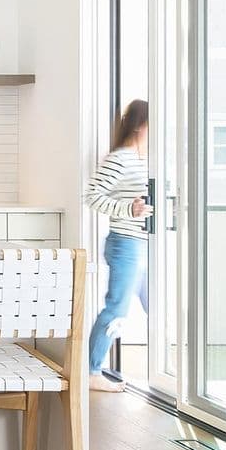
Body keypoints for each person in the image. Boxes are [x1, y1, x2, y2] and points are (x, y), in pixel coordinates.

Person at [84, 99, 152, 391]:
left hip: (144, 245)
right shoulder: (120, 158)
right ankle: (91, 372)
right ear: (139, 125)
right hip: (125, 245)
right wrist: (129, 209)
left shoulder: (144, 159)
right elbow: (91, 195)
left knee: (157, 305)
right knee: (116, 310)